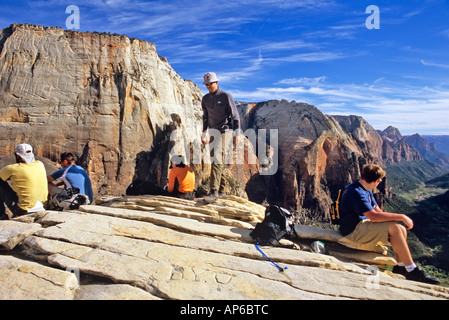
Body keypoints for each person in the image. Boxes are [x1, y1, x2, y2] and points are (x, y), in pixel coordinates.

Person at [339, 164, 440, 284]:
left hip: (360, 225)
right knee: (395, 227)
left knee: (400, 229)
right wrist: (402, 217)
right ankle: (412, 270)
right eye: (379, 181)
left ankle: (400, 267)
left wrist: (393, 221)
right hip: (352, 231)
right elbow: (374, 216)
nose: (379, 183)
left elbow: (378, 212)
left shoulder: (365, 188)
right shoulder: (356, 192)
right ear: (376, 181)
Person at [201, 72, 241, 203]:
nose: (208, 86)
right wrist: (203, 132)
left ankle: (214, 191)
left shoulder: (225, 96)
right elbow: (205, 117)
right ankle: (223, 189)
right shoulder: (205, 99)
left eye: (210, 84)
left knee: (217, 157)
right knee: (216, 160)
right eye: (206, 84)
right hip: (212, 131)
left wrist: (238, 133)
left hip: (225, 131)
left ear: (216, 82)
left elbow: (235, 116)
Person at [0, 143, 48, 219]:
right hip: (43, 206)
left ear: (18, 156)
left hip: (23, 210)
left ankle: (1, 216)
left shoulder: (12, 169)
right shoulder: (40, 164)